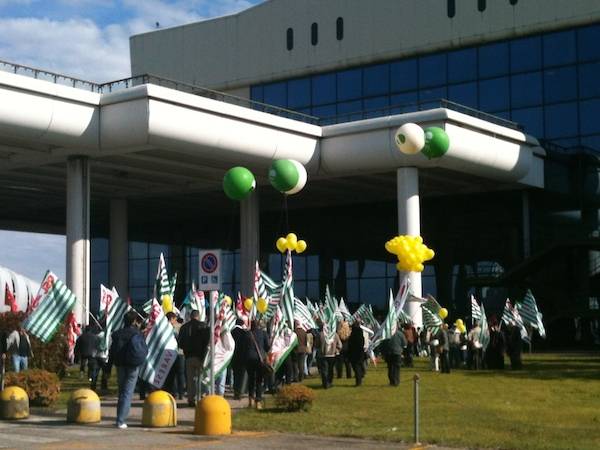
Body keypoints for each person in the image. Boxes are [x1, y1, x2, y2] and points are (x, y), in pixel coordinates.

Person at [109, 310, 148, 429]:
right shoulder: (137, 334)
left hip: (120, 364)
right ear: (134, 321)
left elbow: (112, 351)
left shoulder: (117, 334)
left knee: (122, 391)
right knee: (127, 392)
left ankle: (119, 417)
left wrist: (108, 367)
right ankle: (120, 420)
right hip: (133, 365)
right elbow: (144, 349)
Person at [178, 310, 210, 406]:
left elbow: (180, 342)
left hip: (188, 356)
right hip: (201, 356)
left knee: (190, 379)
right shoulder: (204, 326)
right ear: (198, 316)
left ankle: (191, 399)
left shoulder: (184, 327)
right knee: (202, 378)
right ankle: (202, 397)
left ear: (190, 316)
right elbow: (207, 341)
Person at [245, 319, 269, 409]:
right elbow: (267, 346)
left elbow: (244, 347)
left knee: (251, 379)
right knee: (259, 380)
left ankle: (250, 400)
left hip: (249, 359)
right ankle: (258, 401)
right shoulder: (263, 333)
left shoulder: (247, 334)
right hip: (259, 359)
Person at [164, 312, 185, 400]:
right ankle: (176, 392)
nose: (175, 321)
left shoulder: (178, 327)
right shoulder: (167, 328)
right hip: (173, 353)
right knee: (174, 373)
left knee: (177, 373)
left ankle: (179, 393)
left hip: (176, 353)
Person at [317, 320, 342, 389]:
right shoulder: (335, 335)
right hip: (332, 355)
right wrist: (336, 350)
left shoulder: (320, 334)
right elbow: (340, 345)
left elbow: (316, 345)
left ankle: (325, 383)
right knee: (330, 369)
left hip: (323, 355)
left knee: (324, 370)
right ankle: (329, 382)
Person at [231, 319, 247, 400]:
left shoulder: (231, 332)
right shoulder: (244, 333)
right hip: (242, 357)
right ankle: (239, 392)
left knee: (235, 375)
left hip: (233, 357)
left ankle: (235, 391)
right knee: (241, 376)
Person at [347, 321, 365, 386]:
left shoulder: (352, 335)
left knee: (356, 368)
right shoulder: (361, 334)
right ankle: (360, 378)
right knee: (359, 366)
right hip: (360, 353)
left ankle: (358, 381)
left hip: (354, 354)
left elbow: (350, 345)